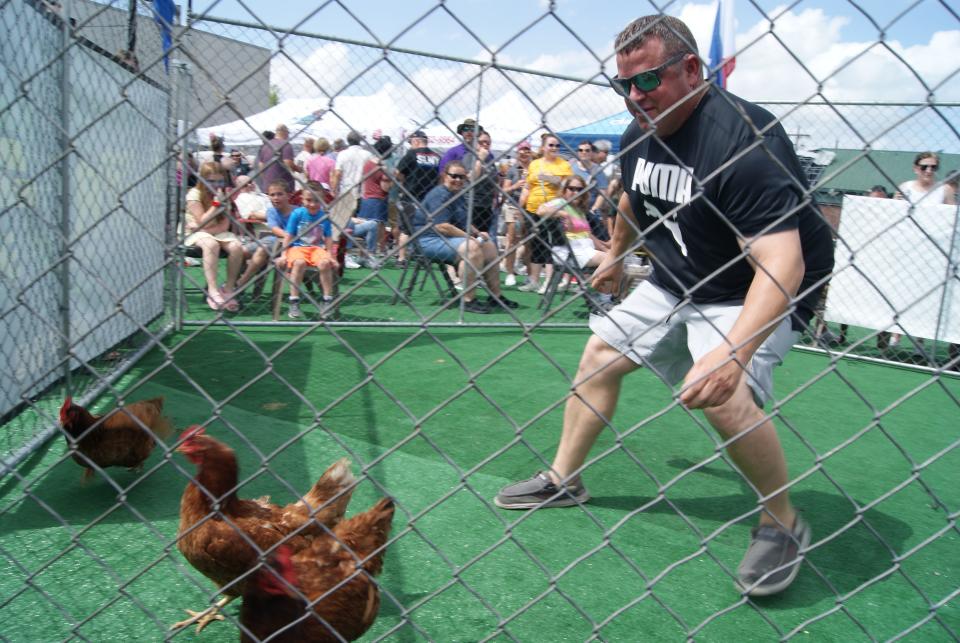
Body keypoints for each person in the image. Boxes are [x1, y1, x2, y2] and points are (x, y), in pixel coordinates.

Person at [495, 14, 835, 599]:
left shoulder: (744, 141)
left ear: (692, 70)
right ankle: (564, 478)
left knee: (725, 394)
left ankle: (781, 521)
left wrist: (731, 354)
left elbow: (783, 265)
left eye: (647, 81)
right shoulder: (640, 130)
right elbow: (635, 193)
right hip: (681, 275)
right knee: (599, 355)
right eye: (622, 84)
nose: (633, 96)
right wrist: (614, 254)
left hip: (753, 283)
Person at [413, 161, 519, 314]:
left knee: (489, 245)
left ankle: (495, 296)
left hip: (447, 240)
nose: (458, 180)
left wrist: (477, 233)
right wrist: (471, 238)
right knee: (472, 248)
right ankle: (468, 300)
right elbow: (442, 226)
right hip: (427, 241)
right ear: (444, 176)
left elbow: (465, 222)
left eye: (462, 177)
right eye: (454, 176)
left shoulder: (458, 194)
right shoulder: (440, 194)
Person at [183, 161, 245, 312]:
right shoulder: (194, 194)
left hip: (216, 231)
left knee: (237, 247)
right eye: (211, 181)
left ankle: (228, 289)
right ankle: (212, 291)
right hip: (196, 236)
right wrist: (216, 205)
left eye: (220, 180)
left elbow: (224, 225)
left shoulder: (225, 194)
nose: (216, 185)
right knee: (211, 244)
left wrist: (204, 227)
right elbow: (201, 220)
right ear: (203, 179)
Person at [518, 133, 573, 294]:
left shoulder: (563, 164)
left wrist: (551, 178)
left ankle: (549, 281)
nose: (554, 148)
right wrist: (520, 206)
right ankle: (534, 280)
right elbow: (528, 187)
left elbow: (568, 185)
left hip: (552, 210)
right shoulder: (535, 164)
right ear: (543, 147)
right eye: (551, 145)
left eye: (556, 145)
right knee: (536, 245)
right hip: (533, 209)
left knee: (552, 245)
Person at [282, 181, 337, 319]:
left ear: (323, 200)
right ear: (302, 199)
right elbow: (288, 235)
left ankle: (327, 300)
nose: (312, 204)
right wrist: (283, 254)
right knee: (299, 263)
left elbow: (328, 238)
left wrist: (330, 255)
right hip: (298, 248)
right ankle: (294, 301)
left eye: (316, 200)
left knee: (325, 263)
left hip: (316, 249)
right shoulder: (297, 214)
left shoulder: (324, 216)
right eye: (308, 200)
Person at [539, 175, 609, 277]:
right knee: (610, 260)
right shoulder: (561, 202)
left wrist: (604, 248)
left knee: (615, 259)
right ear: (565, 190)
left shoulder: (580, 209)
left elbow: (588, 235)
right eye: (571, 189)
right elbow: (541, 210)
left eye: (579, 189)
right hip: (568, 252)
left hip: (585, 249)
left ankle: (607, 291)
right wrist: (564, 214)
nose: (575, 192)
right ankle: (603, 290)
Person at [395, 130, 441, 267]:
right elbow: (439, 178)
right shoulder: (436, 156)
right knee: (424, 229)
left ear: (416, 141)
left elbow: (398, 173)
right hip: (428, 199)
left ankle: (401, 259)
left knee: (405, 229)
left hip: (410, 196)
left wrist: (406, 181)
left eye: (411, 143)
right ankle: (422, 256)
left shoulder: (411, 154)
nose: (410, 145)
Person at [350, 137, 394, 267]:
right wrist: (392, 179)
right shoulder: (382, 167)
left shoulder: (368, 163)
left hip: (366, 198)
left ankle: (363, 256)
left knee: (365, 230)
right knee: (374, 230)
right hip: (378, 200)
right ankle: (371, 255)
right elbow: (385, 187)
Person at [329, 131, 372, 255]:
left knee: (345, 222)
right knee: (362, 222)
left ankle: (346, 250)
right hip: (363, 191)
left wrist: (333, 191)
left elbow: (337, 174)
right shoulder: (367, 154)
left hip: (345, 192)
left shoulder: (342, 154)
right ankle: (362, 252)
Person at [500, 140, 533, 287]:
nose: (524, 152)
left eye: (527, 150)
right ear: (517, 152)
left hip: (530, 209)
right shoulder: (513, 170)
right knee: (512, 240)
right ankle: (510, 273)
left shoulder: (534, 168)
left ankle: (529, 274)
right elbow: (504, 190)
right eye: (522, 150)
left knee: (529, 242)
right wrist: (515, 185)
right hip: (513, 207)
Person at [571, 142, 610, 241]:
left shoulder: (597, 170)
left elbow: (602, 192)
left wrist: (594, 208)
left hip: (590, 210)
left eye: (587, 150)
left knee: (599, 237)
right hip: (573, 209)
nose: (583, 152)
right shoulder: (571, 167)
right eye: (581, 150)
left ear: (591, 153)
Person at [256, 124, 296, 192]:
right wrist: (297, 169)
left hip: (268, 187)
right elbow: (288, 163)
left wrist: (266, 179)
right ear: (285, 132)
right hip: (284, 188)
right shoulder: (286, 144)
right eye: (288, 133)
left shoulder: (266, 146)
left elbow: (261, 166)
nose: (288, 135)